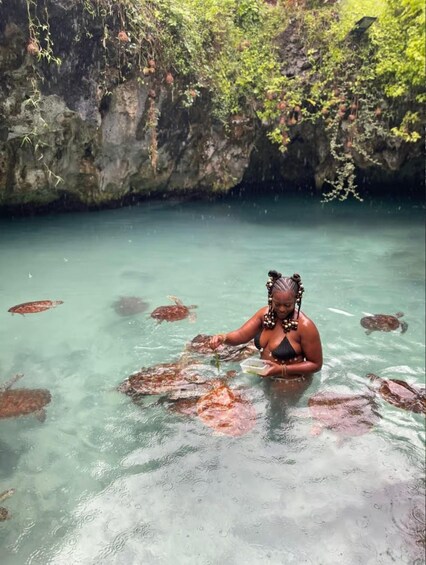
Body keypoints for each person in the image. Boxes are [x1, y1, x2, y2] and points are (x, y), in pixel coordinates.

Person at [210, 270, 322, 380]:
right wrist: (222, 338)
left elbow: (316, 364)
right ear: (271, 298)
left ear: (296, 300)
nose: (282, 309)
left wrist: (282, 369)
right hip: (264, 378)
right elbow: (241, 335)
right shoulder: (264, 315)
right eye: (277, 304)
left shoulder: (305, 326)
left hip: (290, 382)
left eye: (288, 305)